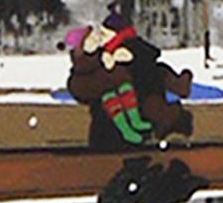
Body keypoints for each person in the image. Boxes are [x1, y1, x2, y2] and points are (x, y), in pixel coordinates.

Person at [63, 9, 193, 150]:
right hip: (148, 140)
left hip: (106, 142)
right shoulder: (150, 65)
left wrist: (82, 62)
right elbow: (180, 88)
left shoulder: (101, 67)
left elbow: (79, 88)